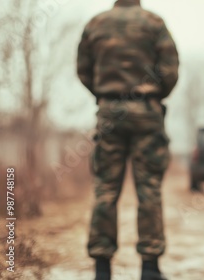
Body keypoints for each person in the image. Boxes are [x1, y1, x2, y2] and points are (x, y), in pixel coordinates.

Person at [77, 0, 179, 279]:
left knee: (105, 189)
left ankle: (101, 269)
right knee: (149, 190)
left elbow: (83, 70)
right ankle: (149, 268)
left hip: (110, 113)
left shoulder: (95, 24)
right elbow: (170, 72)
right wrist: (152, 94)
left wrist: (106, 95)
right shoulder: (154, 23)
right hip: (147, 113)